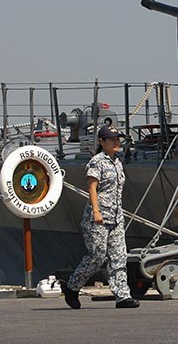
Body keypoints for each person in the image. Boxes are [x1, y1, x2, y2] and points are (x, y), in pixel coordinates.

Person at [62, 125, 140, 309]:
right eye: (112, 139)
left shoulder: (117, 162)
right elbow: (92, 187)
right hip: (99, 217)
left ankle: (122, 296)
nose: (116, 142)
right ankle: (72, 286)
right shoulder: (97, 161)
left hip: (116, 217)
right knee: (97, 257)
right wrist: (96, 211)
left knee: (119, 256)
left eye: (118, 139)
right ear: (102, 142)